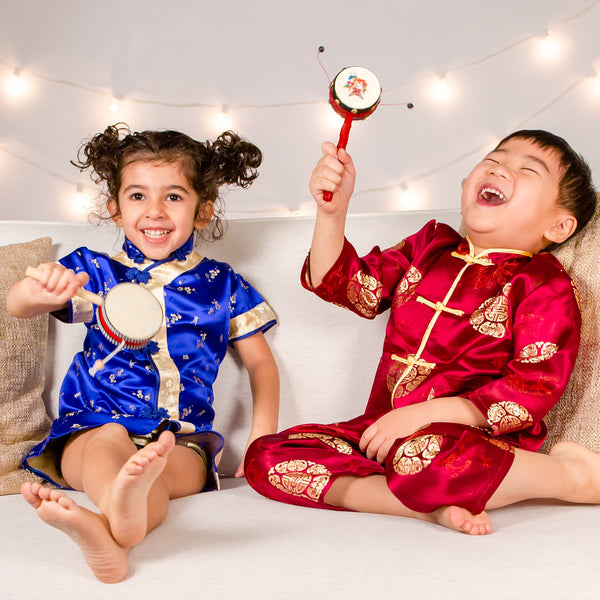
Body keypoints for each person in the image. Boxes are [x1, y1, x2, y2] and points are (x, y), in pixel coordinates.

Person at [245, 129, 600, 536]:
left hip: (464, 442)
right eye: (495, 160)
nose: (500, 170)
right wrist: (331, 213)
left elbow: (532, 387)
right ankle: (419, 507)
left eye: (526, 170)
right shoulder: (429, 245)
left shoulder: (541, 282)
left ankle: (570, 475)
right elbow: (347, 286)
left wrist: (424, 415)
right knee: (266, 457)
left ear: (558, 226)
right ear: (467, 184)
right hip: (380, 434)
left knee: (432, 459)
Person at [6, 124, 279, 582]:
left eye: (173, 196)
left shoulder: (222, 282)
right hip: (93, 424)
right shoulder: (93, 271)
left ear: (202, 209)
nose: (154, 211)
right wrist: (40, 289)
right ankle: (121, 515)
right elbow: (18, 304)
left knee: (161, 471)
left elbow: (260, 362)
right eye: (137, 196)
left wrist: (260, 438)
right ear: (114, 209)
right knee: (106, 447)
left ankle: (110, 528)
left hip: (182, 437)